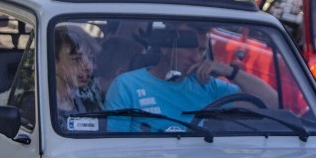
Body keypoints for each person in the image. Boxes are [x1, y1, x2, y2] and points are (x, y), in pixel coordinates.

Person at [103, 23, 278, 132]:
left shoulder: (209, 85)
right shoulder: (127, 85)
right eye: (189, 47)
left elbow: (271, 101)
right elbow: (113, 148)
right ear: (165, 48)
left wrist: (230, 72)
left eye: (202, 50)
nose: (196, 57)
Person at [55, 29, 101, 125]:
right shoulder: (36, 106)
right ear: (53, 62)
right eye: (76, 59)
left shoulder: (87, 102)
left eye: (91, 57)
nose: (89, 66)